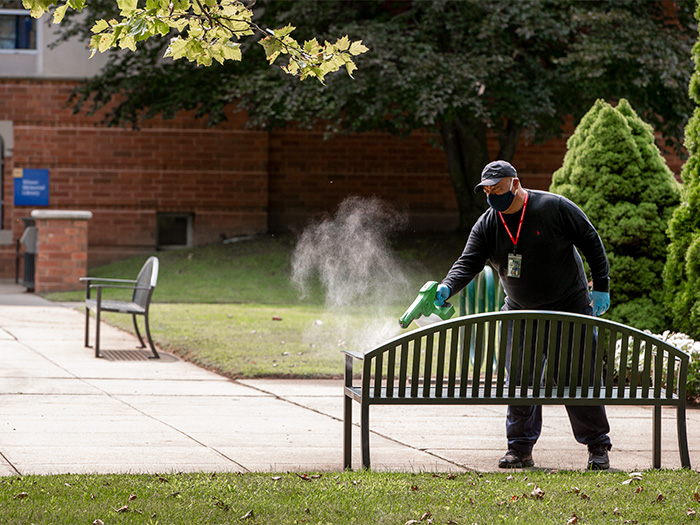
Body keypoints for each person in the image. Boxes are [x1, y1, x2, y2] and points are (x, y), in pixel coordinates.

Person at [434, 160, 612, 470]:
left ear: (516, 183)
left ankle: (597, 446)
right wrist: (447, 287)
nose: (493, 196)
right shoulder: (488, 223)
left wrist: (602, 287)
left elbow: (591, 241)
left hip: (568, 306)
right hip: (520, 310)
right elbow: (467, 262)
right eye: (487, 191)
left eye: (498, 189)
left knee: (575, 377)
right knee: (520, 380)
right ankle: (519, 449)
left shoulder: (553, 207)